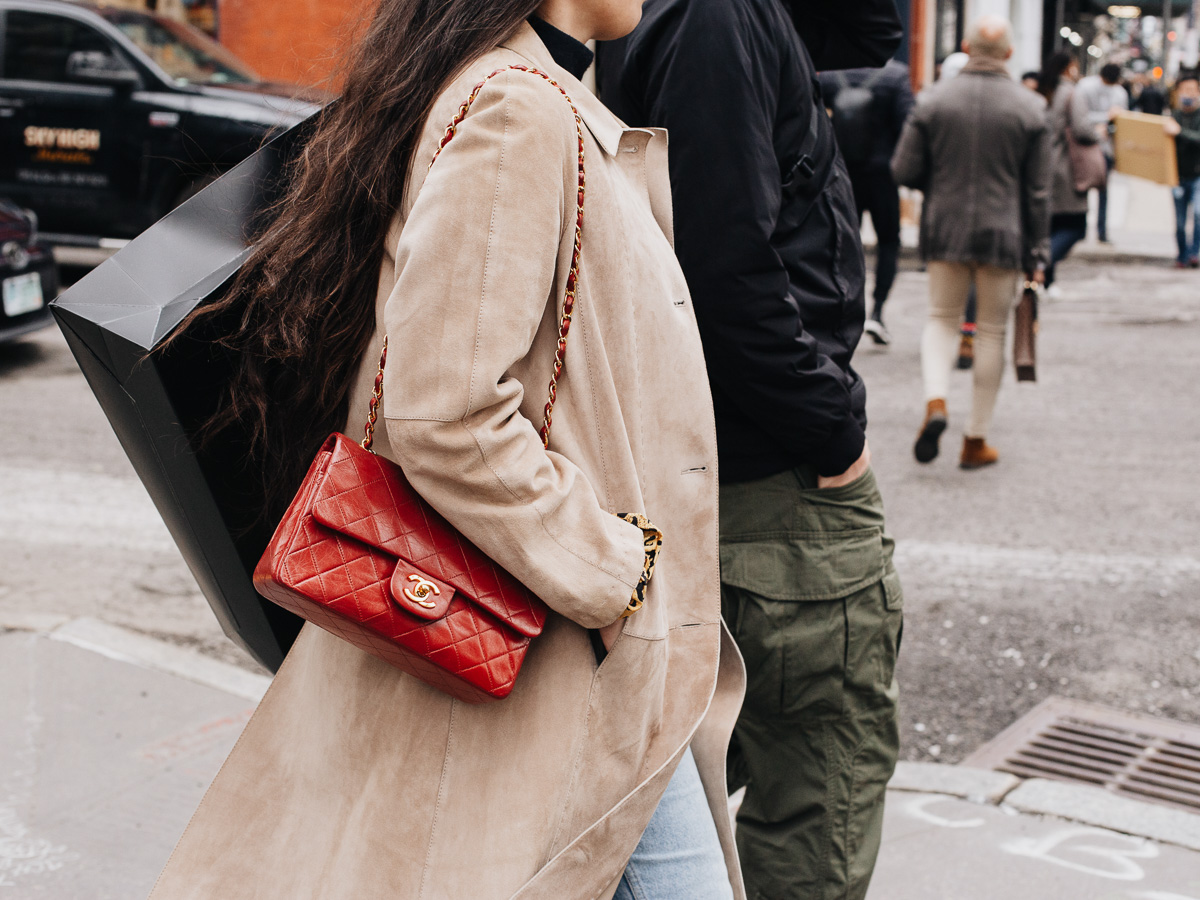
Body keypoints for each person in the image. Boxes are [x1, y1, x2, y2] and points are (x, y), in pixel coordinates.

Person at [147, 1, 747, 898]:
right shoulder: (519, 107)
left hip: (569, 646)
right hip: (558, 647)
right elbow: (444, 411)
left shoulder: (516, 91)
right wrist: (615, 569)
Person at [597, 2, 905, 897]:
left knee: (673, 813)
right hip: (768, 480)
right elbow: (723, 262)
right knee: (816, 796)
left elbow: (865, 36)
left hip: (702, 461)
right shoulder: (714, 15)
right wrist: (831, 429)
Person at [892, 16, 1050, 469]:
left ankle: (936, 401)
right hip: (1005, 233)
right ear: (1010, 55)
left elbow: (903, 171)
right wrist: (1038, 252)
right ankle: (975, 439)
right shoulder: (1030, 107)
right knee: (991, 332)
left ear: (964, 46)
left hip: (945, 226)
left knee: (941, 320)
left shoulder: (934, 100)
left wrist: (939, 183)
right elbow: (1038, 194)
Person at [819, 59, 915, 345]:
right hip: (883, 176)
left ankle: (845, 310)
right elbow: (907, 126)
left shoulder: (833, 75)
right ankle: (877, 311)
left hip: (843, 173)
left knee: (844, 244)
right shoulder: (896, 77)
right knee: (888, 242)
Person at [1039, 51, 1095, 299]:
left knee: (1049, 227)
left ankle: (1046, 282)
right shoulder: (1071, 93)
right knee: (1075, 226)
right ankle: (1040, 266)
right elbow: (1083, 129)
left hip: (1040, 167)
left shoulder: (1042, 91)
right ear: (1067, 68)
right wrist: (1100, 134)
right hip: (1064, 169)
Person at [1076, 62, 1129, 242]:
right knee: (1082, 188)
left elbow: (1122, 120)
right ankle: (1080, 228)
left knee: (1104, 191)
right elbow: (1079, 116)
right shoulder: (1085, 87)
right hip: (1084, 146)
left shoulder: (1120, 93)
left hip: (1105, 148)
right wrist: (1106, 117)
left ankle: (1101, 230)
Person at [1166, 72, 1200, 267]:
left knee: (1198, 214)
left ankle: (1194, 253)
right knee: (1179, 222)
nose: (1188, 93)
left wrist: (1180, 132)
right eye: (1185, 89)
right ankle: (1182, 255)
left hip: (1197, 176)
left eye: (1192, 89)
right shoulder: (1174, 115)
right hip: (1177, 176)